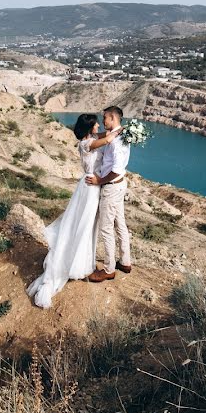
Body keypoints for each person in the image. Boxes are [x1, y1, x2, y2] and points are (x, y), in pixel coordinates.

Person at [26, 113, 121, 308]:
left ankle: (85, 261)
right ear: (90, 128)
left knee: (88, 225)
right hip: (90, 187)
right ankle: (77, 264)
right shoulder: (86, 144)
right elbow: (109, 138)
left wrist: (119, 128)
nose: (99, 126)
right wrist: (123, 129)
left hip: (91, 187)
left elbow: (106, 133)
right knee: (84, 226)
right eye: (96, 124)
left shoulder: (92, 138)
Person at [85, 106, 132, 282]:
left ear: (112, 118)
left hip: (112, 186)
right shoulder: (120, 133)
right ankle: (125, 261)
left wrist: (99, 181)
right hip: (120, 186)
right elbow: (102, 138)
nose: (102, 121)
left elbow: (116, 169)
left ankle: (108, 269)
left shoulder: (117, 141)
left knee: (106, 228)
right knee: (120, 223)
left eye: (104, 118)